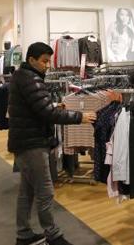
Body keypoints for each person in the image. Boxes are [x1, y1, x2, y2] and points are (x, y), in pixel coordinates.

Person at [8, 42, 95, 245]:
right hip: (32, 143)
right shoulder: (31, 79)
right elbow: (46, 113)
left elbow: (35, 109)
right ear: (32, 60)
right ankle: (53, 235)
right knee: (45, 191)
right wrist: (79, 117)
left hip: (26, 140)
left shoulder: (24, 77)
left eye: (49, 61)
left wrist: (54, 105)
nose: (47, 65)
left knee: (27, 191)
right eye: (44, 61)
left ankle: (23, 234)